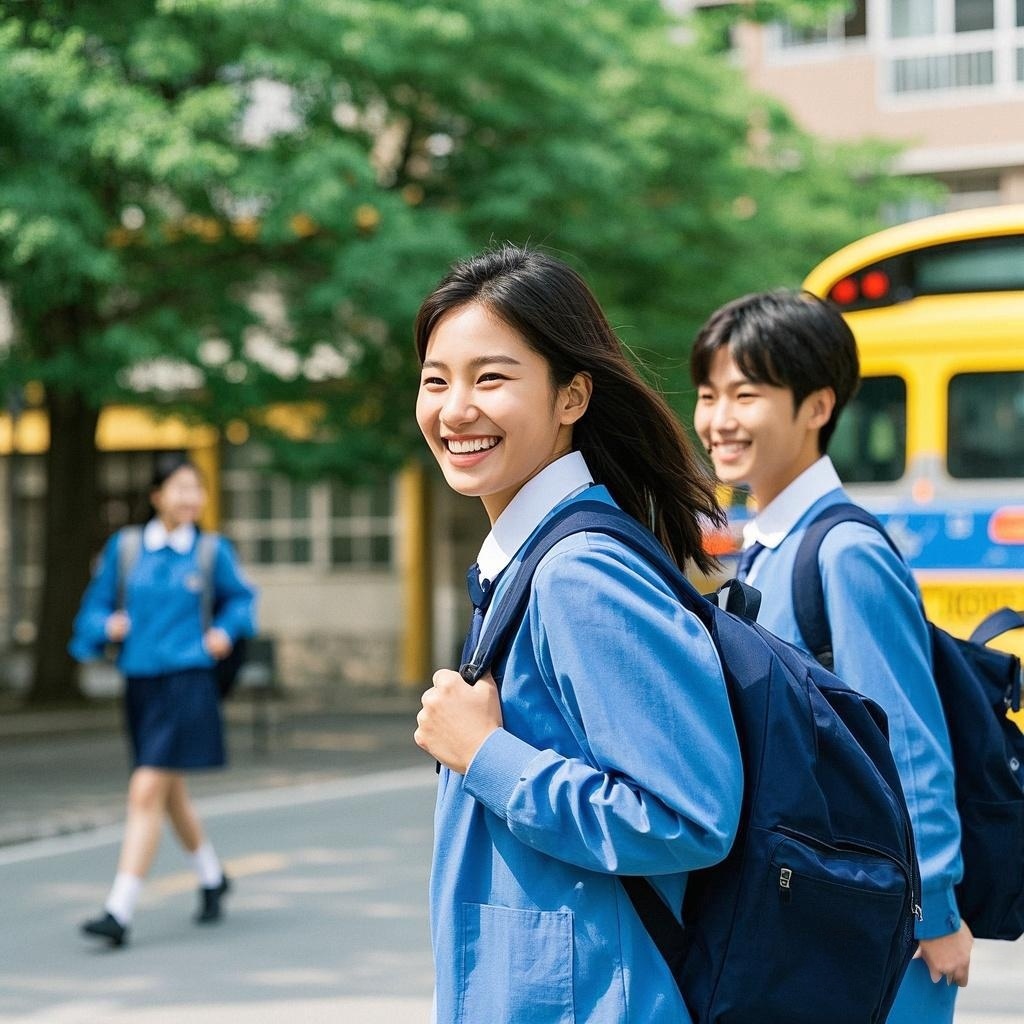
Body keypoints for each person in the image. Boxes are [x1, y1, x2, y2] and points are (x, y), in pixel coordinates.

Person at [412, 244, 742, 1023]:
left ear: (572, 396)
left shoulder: (578, 574)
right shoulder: (529, 562)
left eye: (491, 377)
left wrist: (487, 756)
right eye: (435, 380)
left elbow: (689, 816)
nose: (455, 408)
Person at [690, 289, 972, 1023]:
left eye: (745, 394)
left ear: (816, 406)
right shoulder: (764, 550)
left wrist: (933, 905)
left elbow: (907, 735)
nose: (719, 419)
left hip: (879, 916)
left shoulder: (842, 552)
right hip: (809, 897)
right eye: (708, 394)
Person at [70, 453, 257, 947]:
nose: (190, 497)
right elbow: (94, 607)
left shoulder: (211, 552)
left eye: (196, 488)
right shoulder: (127, 548)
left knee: (146, 789)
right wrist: (106, 627)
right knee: (167, 792)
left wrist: (224, 629)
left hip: (188, 683)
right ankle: (213, 877)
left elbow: (242, 600)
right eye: (179, 488)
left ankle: (120, 909)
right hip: (140, 685)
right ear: (156, 496)